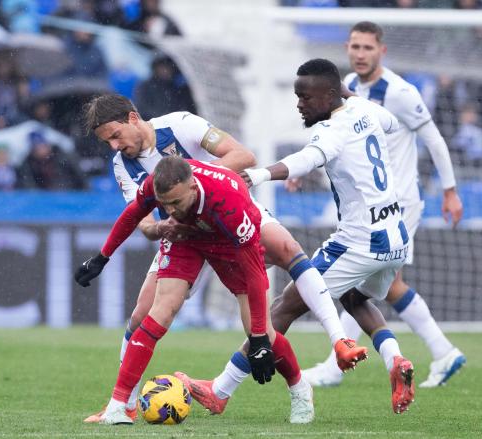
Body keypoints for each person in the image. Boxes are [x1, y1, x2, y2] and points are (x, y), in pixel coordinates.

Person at [78, 93, 365, 424]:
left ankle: (305, 380)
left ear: (131, 118)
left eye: (115, 136)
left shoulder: (182, 127)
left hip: (225, 223)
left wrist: (257, 337)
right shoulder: (134, 173)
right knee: (148, 316)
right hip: (181, 232)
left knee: (271, 303)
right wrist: (112, 252)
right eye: (107, 142)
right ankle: (120, 405)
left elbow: (243, 159)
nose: (114, 146)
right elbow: (137, 219)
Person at [177, 58, 416, 415]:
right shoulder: (365, 109)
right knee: (353, 297)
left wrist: (257, 176)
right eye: (297, 96)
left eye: (306, 97)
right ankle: (396, 360)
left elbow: (307, 157)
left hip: (360, 241)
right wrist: (345, 94)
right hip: (396, 237)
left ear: (331, 95)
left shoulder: (329, 131)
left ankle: (220, 389)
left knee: (283, 307)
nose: (300, 104)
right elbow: (393, 123)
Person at [74, 156, 312, 425]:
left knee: (262, 331)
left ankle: (300, 389)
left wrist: (257, 339)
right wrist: (102, 257)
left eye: (176, 202)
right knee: (160, 312)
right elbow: (133, 214)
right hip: (185, 238)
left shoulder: (230, 201)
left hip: (228, 243)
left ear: (193, 188)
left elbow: (256, 274)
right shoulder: (159, 184)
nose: (170, 210)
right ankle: (118, 406)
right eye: (164, 204)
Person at [296, 21, 466, 389]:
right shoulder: (347, 88)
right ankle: (442, 351)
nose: (360, 54)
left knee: (363, 283)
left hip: (399, 202)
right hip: (369, 206)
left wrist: (450, 190)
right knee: (383, 287)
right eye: (355, 47)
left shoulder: (401, 92)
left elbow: (434, 139)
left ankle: (334, 364)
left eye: (367, 48)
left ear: (381, 51)